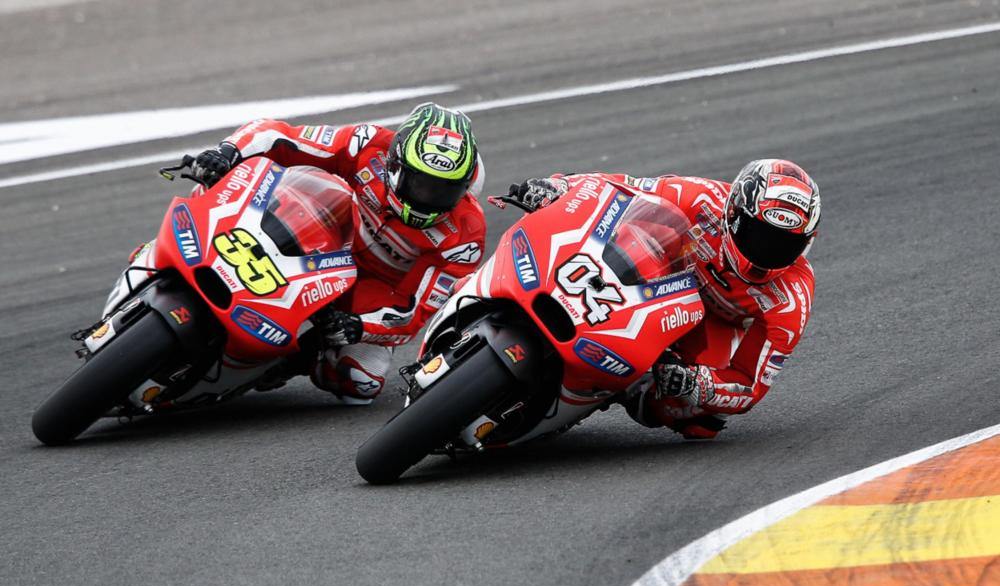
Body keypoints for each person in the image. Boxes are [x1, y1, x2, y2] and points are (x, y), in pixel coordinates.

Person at [190, 103, 487, 403]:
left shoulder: (466, 236)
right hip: (324, 236)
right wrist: (228, 152)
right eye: (421, 184)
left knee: (362, 382)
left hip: (373, 288)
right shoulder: (368, 144)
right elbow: (283, 136)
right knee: (259, 188)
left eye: (444, 190)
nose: (429, 198)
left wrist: (359, 327)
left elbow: (415, 311)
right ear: (397, 164)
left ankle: (300, 357)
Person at [508, 159, 820, 438]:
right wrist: (560, 187)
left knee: (700, 419)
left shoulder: (791, 299)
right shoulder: (703, 198)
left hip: (713, 323)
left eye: (784, 245)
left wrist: (697, 383)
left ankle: (621, 388)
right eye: (759, 235)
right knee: (634, 229)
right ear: (734, 213)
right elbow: (621, 188)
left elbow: (749, 383)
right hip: (661, 274)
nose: (767, 252)